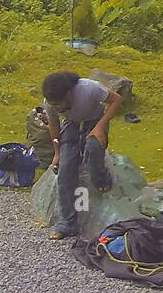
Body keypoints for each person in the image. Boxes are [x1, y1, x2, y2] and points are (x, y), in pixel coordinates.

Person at [41, 70, 122, 239]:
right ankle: (67, 223)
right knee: (65, 169)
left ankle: (101, 178)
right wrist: (57, 153)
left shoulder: (90, 88)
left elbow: (116, 100)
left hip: (95, 120)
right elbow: (54, 126)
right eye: (53, 105)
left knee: (92, 148)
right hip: (72, 124)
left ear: (69, 94)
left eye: (59, 104)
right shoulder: (50, 104)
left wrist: (100, 127)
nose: (56, 108)